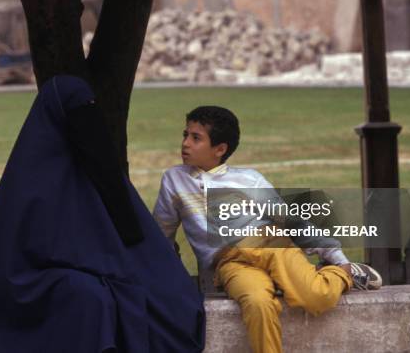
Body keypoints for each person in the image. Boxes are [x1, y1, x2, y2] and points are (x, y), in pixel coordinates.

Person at [0, 75, 205, 353]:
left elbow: (127, 226)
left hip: (89, 263)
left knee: (166, 293)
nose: (88, 117)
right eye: (80, 109)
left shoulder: (93, 165)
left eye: (92, 107)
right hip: (31, 278)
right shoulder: (32, 174)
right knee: (92, 297)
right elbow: (36, 246)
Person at [153, 105, 381, 353]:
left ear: (220, 149)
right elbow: (161, 232)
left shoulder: (249, 179)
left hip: (271, 246)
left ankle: (345, 274)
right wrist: (163, 275)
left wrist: (336, 257)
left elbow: (290, 221)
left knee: (316, 297)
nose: (185, 143)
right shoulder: (173, 180)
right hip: (230, 264)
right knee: (258, 303)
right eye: (185, 135)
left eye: (195, 138)